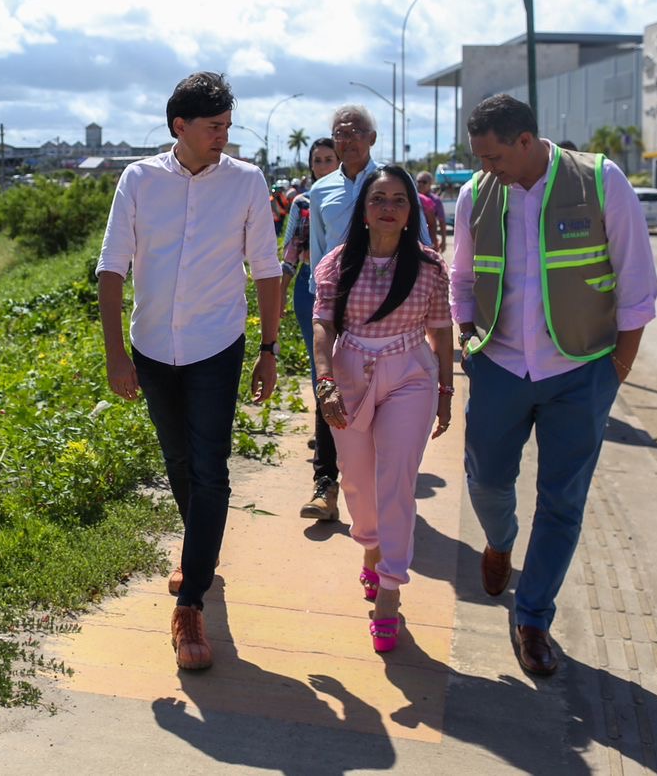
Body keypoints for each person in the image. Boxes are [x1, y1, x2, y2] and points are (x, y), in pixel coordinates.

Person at [450, 94, 657, 677]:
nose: (484, 166)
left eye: (492, 155)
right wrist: (469, 342)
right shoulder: (476, 195)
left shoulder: (600, 180)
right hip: (499, 365)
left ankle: (533, 617)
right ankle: (499, 540)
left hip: (581, 372)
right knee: (487, 480)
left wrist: (617, 371)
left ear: (525, 141)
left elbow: (637, 282)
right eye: (479, 156)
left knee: (563, 501)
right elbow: (462, 278)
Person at [97, 71, 282, 672]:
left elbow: (268, 271)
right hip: (151, 348)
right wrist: (115, 354)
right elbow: (111, 270)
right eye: (213, 127)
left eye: (228, 126)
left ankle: (192, 602)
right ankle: (198, 547)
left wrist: (270, 349)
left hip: (215, 346)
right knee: (177, 461)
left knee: (211, 469)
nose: (223, 137)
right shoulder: (139, 180)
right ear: (180, 126)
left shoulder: (247, 182)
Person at [311, 165, 453, 654]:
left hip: (410, 374)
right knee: (356, 481)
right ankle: (370, 545)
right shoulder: (336, 263)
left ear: (411, 210)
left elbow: (442, 330)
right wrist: (325, 381)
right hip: (350, 374)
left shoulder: (430, 266)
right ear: (364, 212)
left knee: (396, 479)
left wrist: (445, 392)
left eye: (398, 199)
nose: (388, 207)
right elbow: (324, 326)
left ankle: (390, 588)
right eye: (378, 200)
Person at [300, 105, 432, 520]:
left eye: (358, 131)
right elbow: (320, 253)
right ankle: (326, 484)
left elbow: (421, 242)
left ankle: (377, 481)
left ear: (372, 138)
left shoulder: (392, 182)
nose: (348, 138)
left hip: (392, 314)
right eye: (340, 132)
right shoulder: (320, 192)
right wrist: (321, 313)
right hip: (336, 309)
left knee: (387, 395)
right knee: (329, 387)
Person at [280, 138, 340, 490]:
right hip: (307, 285)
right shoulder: (301, 203)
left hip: (347, 289)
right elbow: (290, 250)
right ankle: (327, 432)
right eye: (317, 160)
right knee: (319, 362)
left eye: (328, 159)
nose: (322, 165)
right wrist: (276, 295)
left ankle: (339, 433)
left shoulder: (354, 198)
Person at [416, 170, 448, 251]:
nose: (420, 184)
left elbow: (442, 221)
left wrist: (444, 241)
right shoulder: (412, 198)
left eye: (424, 182)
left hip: (430, 240)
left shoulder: (435, 200)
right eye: (419, 181)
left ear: (430, 184)